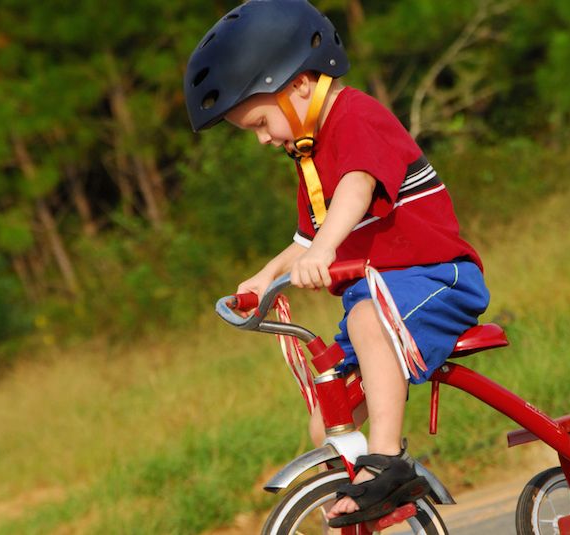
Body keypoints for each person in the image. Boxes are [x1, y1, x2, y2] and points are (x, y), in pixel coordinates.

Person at [185, 0, 489, 528]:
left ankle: (387, 461)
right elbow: (308, 238)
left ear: (300, 83)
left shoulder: (356, 117)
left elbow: (357, 186)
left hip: (438, 279)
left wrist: (327, 248)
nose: (261, 138)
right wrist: (265, 279)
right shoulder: (309, 153)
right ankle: (363, 507)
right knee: (327, 418)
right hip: (378, 301)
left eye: (259, 121)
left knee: (369, 317)